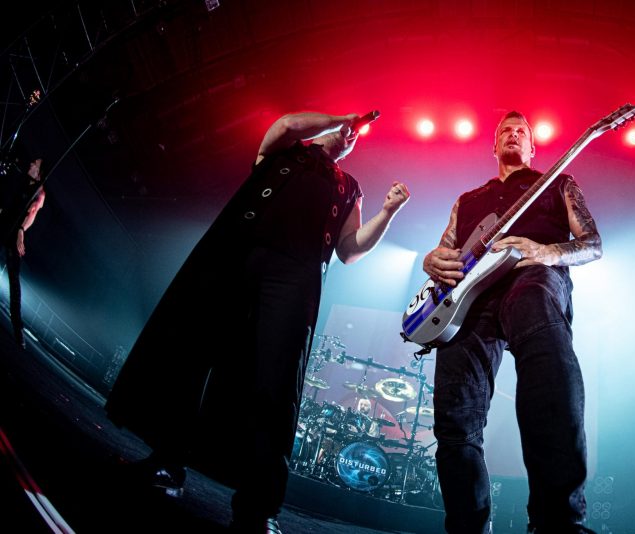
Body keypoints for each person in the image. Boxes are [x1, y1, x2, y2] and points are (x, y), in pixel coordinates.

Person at [105, 111, 409, 533]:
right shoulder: (287, 151)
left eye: (354, 137)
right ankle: (166, 463)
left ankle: (258, 509)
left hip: (295, 276)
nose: (349, 136)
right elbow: (286, 125)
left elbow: (349, 250)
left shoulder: (348, 186)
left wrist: (388, 212)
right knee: (195, 355)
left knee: (277, 385)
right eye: (342, 131)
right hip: (239, 253)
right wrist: (340, 119)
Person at [421, 111, 602, 533]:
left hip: (532, 277)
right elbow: (445, 250)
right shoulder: (468, 200)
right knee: (455, 416)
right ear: (494, 144)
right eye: (506, 129)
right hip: (470, 299)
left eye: (522, 131)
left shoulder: (558, 183)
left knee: (548, 371)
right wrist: (432, 259)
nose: (514, 134)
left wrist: (546, 252)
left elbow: (593, 244)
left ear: (533, 147)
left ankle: (558, 524)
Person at [0, 157, 46, 348]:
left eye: (35, 164)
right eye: (32, 162)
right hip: (4, 222)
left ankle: (17, 327)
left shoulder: (39, 192)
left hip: (14, 231)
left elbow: (32, 214)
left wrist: (21, 231)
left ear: (39, 173)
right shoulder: (22, 180)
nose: (31, 164)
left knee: (14, 278)